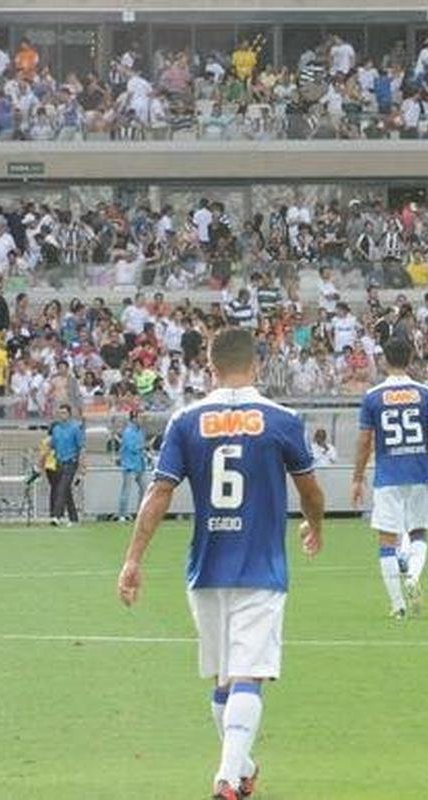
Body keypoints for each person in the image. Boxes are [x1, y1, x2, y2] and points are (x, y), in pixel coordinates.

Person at [116, 326, 325, 800]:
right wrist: (317, 525)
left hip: (205, 568)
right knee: (248, 676)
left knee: (224, 680)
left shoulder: (186, 420)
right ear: (256, 364)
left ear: (209, 368)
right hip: (261, 568)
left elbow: (159, 492)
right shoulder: (281, 419)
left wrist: (133, 559)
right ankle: (226, 780)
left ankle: (243, 769)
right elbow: (310, 489)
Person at [350, 336, 428, 619]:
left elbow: (364, 440)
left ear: (383, 359)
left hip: (388, 474)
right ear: (411, 358)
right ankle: (413, 577)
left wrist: (357, 477)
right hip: (419, 471)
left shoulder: (373, 396)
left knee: (387, 540)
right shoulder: (425, 393)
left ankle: (398, 605)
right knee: (417, 532)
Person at [47, 404, 84, 526]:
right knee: (66, 491)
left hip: (70, 462)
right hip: (59, 462)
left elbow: (81, 448)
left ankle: (56, 515)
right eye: (60, 413)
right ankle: (73, 517)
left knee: (61, 489)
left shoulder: (75, 428)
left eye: (64, 412)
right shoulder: (56, 429)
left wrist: (81, 467)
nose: (62, 415)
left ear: (69, 414)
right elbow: (52, 446)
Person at [116, 410, 148, 522]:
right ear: (133, 419)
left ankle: (141, 512)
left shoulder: (140, 431)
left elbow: (140, 448)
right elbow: (132, 447)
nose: (141, 420)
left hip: (139, 464)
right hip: (129, 465)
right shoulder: (128, 432)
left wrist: (145, 454)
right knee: (126, 490)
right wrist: (143, 446)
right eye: (139, 417)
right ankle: (122, 514)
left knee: (144, 489)